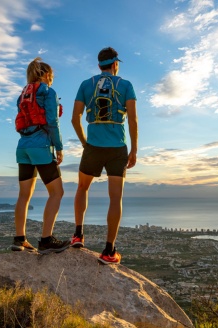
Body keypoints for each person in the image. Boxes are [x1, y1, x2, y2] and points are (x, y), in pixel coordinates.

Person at [71, 47, 138, 265]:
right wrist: (134, 149)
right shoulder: (126, 85)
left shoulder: (85, 85)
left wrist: (85, 143)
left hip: (93, 145)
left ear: (99, 65)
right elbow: (132, 121)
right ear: (115, 64)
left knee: (82, 187)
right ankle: (109, 250)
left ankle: (78, 235)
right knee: (115, 198)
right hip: (117, 147)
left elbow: (75, 119)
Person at [11, 57, 70, 254]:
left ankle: (20, 239)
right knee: (57, 192)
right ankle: (46, 240)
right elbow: (52, 122)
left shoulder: (22, 97)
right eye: (51, 76)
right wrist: (59, 147)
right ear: (46, 75)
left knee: (24, 195)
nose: (52, 80)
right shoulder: (48, 93)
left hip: (23, 147)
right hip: (41, 146)